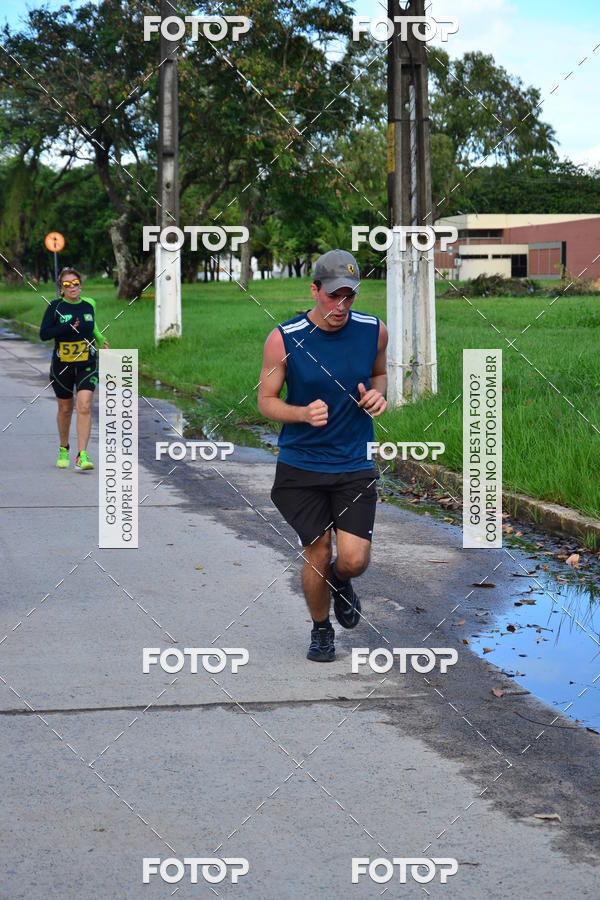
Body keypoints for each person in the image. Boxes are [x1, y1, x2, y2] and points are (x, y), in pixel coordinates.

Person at [258, 249, 388, 662]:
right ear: (314, 290)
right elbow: (265, 400)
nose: (341, 306)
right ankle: (321, 630)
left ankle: (339, 580)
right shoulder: (285, 337)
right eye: (333, 296)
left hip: (353, 463)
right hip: (301, 466)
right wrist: (301, 413)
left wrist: (378, 394)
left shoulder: (373, 331)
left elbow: (380, 372)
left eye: (349, 296)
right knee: (317, 550)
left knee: (353, 559)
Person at [40, 266, 109, 471]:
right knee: (65, 409)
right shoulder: (55, 307)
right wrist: (67, 327)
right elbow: (44, 334)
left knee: (85, 406)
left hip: (87, 363)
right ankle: (64, 448)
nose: (72, 287)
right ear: (61, 288)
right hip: (62, 367)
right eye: (67, 285)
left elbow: (93, 325)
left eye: (75, 284)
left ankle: (82, 455)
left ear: (81, 286)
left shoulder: (89, 304)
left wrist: (101, 338)